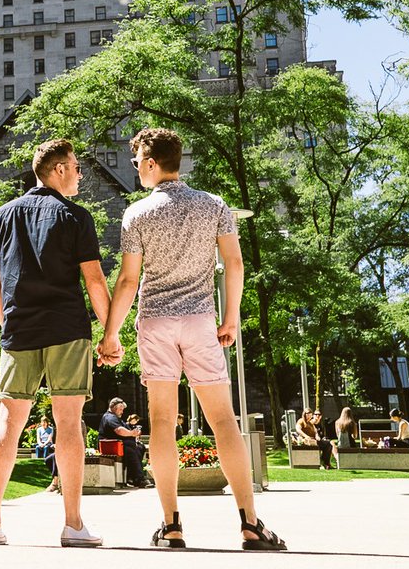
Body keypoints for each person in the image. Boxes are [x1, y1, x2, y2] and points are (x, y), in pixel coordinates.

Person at [98, 128, 286, 552]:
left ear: (150, 162)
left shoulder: (137, 215)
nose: (136, 171)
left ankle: (172, 526)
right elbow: (234, 264)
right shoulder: (214, 205)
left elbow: (128, 281)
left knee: (163, 423)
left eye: (136, 163)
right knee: (223, 421)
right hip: (201, 320)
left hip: (156, 323)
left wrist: (110, 333)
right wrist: (231, 319)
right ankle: (250, 524)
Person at [0, 138, 112, 548]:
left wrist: (8, 323)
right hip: (67, 329)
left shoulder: (3, 215)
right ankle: (73, 525)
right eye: (74, 167)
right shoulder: (76, 217)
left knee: (9, 422)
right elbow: (94, 279)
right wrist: (111, 334)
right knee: (69, 423)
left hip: (19, 332)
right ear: (57, 170)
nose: (79, 174)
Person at [99, 397, 149, 488]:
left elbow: (127, 428)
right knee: (130, 449)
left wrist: (135, 432)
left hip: (121, 444)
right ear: (114, 408)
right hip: (111, 445)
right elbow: (119, 430)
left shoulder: (117, 418)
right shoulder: (109, 417)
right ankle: (139, 478)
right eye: (121, 409)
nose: (122, 412)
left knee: (140, 447)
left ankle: (132, 477)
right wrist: (131, 433)